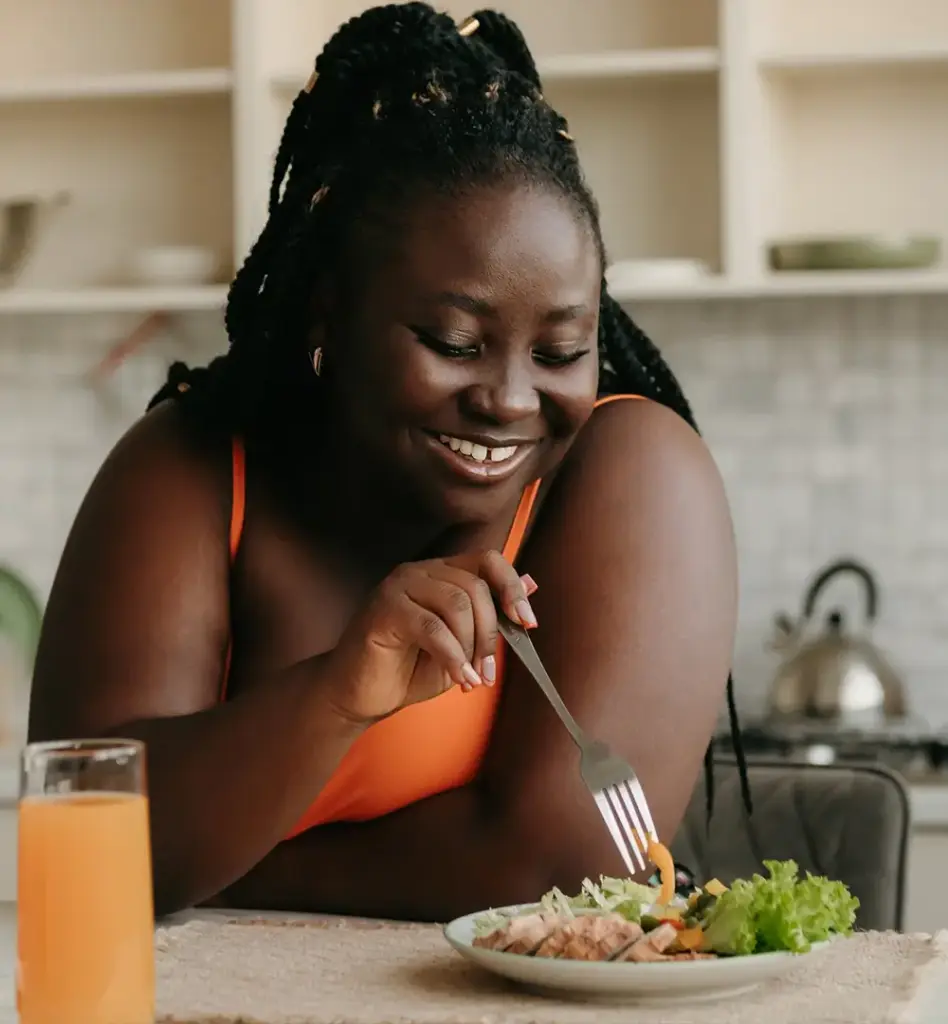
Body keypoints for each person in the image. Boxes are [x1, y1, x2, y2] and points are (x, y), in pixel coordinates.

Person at [28, 3, 748, 920]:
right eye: (453, 341)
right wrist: (332, 697)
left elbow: (563, 871)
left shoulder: (636, 473)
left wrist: (231, 870)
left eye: (562, 351)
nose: (512, 399)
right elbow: (84, 834)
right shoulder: (194, 466)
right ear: (329, 313)